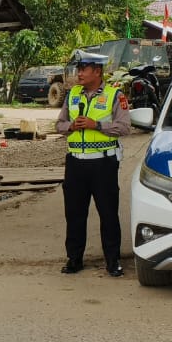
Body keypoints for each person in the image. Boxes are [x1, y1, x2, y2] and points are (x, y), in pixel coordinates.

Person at [55, 50, 131, 276]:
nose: (79, 74)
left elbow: (124, 127)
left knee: (108, 213)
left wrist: (95, 125)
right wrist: (70, 126)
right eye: (78, 69)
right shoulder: (72, 94)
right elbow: (58, 124)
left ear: (97, 72)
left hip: (103, 165)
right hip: (76, 164)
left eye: (83, 69)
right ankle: (74, 259)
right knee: (74, 213)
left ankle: (112, 261)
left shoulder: (114, 95)